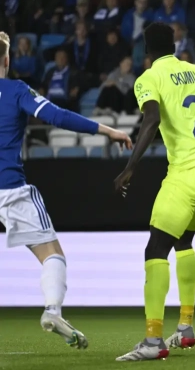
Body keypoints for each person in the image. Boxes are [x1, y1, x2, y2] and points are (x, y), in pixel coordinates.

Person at [113, 22, 195, 361]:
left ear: (146, 50)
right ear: (174, 45)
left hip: (189, 172)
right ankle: (185, 328)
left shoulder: (149, 78)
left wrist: (131, 166)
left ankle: (153, 340)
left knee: (155, 249)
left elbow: (152, 119)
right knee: (183, 240)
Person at [0, 32, 132, 349]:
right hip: (8, 188)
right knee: (52, 255)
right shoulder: (16, 90)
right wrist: (107, 130)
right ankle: (52, 311)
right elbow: (57, 116)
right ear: (6, 59)